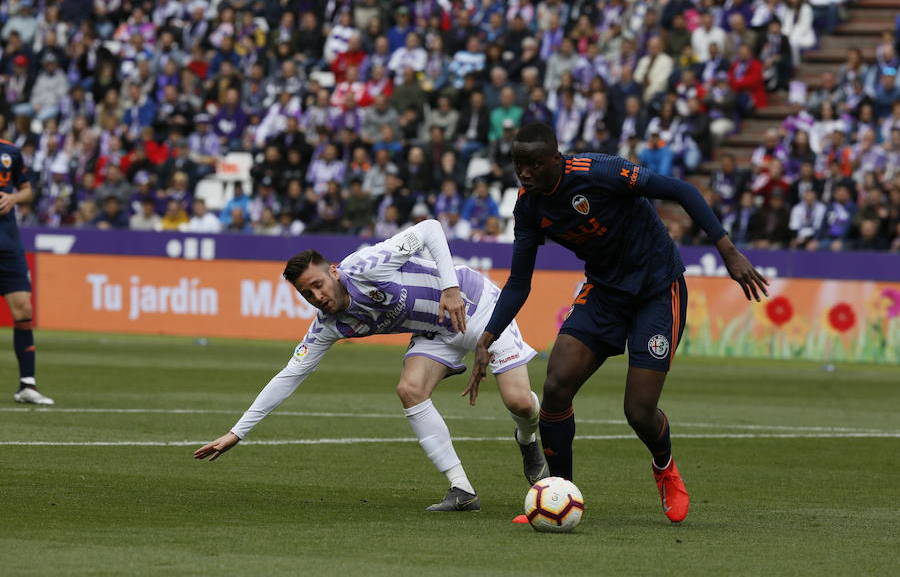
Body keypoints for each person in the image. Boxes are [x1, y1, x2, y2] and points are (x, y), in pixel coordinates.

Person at [464, 123, 768, 524]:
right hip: (605, 292)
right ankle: (559, 493)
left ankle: (665, 467)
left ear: (556, 159)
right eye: (519, 164)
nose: (525, 173)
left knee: (639, 410)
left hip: (658, 289)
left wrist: (727, 250)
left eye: (533, 164)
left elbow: (682, 191)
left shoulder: (600, 172)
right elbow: (520, 282)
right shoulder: (529, 207)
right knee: (556, 385)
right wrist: (488, 336)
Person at [194, 219, 548, 511]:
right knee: (409, 389)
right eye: (307, 294)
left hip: (477, 305)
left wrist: (450, 288)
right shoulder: (328, 325)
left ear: (333, 272)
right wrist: (237, 432)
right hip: (433, 332)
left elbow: (430, 229)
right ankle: (462, 490)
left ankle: (527, 437)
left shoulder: (366, 266)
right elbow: (291, 374)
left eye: (318, 285)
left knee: (518, 402)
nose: (317, 297)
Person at [0, 139, 54, 404]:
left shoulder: (9, 151)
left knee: (23, 309)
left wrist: (13, 197)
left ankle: (27, 385)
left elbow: (27, 190)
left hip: (8, 243)